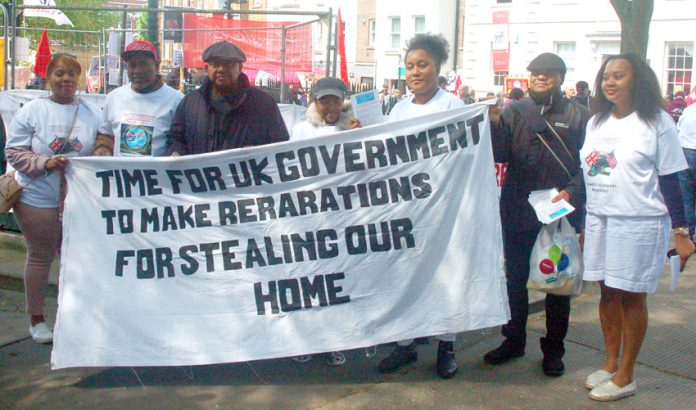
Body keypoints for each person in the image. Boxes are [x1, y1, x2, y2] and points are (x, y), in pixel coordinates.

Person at [580, 53, 694, 402]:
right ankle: (611, 361)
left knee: (631, 295)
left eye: (619, 76)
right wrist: (584, 218)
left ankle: (627, 374)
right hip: (600, 217)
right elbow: (588, 172)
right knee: (606, 291)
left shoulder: (656, 121)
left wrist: (682, 231)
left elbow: (673, 176)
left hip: (639, 222)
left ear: (637, 80)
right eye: (606, 77)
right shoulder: (596, 121)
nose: (610, 82)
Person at [486, 52, 590, 377]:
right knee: (514, 280)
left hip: (558, 211)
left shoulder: (579, 115)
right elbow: (500, 154)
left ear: (561, 77)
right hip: (518, 208)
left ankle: (554, 350)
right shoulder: (514, 111)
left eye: (549, 73)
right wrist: (491, 125)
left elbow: (588, 165)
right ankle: (514, 339)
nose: (541, 77)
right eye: (536, 72)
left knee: (556, 283)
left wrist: (571, 193)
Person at [377, 33, 465, 379]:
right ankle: (405, 344)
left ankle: (446, 346)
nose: (415, 71)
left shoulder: (453, 107)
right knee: (404, 273)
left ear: (437, 67)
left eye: (423, 64)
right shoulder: (398, 108)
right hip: (405, 207)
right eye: (410, 65)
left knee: (444, 275)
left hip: (442, 208)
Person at [4, 55, 101, 343]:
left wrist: (100, 155)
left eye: (72, 74)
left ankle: (72, 317)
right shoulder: (33, 111)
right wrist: (45, 163)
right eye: (60, 73)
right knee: (40, 255)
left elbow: (105, 142)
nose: (66, 80)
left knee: (75, 260)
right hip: (38, 198)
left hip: (78, 201)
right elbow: (14, 152)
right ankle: (37, 319)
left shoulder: (92, 112)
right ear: (48, 77)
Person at [289, 77, 360, 366]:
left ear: (343, 101)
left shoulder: (355, 128)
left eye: (335, 100)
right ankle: (305, 338)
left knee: (337, 279)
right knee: (307, 277)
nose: (330, 106)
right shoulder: (301, 130)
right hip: (308, 216)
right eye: (324, 100)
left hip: (341, 216)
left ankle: (334, 340)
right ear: (314, 101)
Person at [166, 40, 289, 155]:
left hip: (245, 176)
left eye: (228, 64)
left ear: (240, 68)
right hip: (201, 177)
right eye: (215, 64)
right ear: (206, 68)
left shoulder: (263, 104)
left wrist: (257, 153)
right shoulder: (190, 103)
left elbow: (280, 144)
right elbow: (176, 138)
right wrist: (176, 152)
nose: (221, 69)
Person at [94, 40, 184, 157]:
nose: (137, 71)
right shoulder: (114, 98)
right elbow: (106, 134)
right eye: (132, 65)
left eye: (143, 64)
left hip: (159, 174)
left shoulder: (177, 100)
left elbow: (183, 141)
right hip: (120, 174)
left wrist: (177, 152)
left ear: (156, 66)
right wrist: (103, 148)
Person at [677, 101, 696, 240]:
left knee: (686, 196)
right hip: (687, 149)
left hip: (685, 151)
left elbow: (678, 130)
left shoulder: (688, 111)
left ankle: (689, 232)